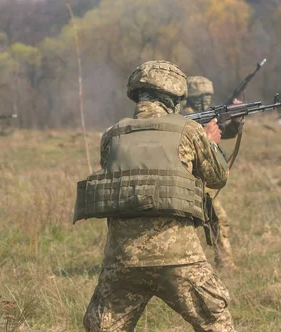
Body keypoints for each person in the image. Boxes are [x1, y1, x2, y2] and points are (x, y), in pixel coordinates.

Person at [75, 60, 237, 332]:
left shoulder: (111, 136)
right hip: (180, 258)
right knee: (216, 324)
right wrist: (210, 142)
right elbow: (218, 177)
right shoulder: (189, 131)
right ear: (173, 97)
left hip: (123, 260)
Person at [182, 76, 240, 270]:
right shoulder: (185, 117)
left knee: (217, 219)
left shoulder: (205, 114)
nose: (204, 100)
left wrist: (234, 120)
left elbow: (223, 133)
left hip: (200, 181)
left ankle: (224, 262)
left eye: (208, 95)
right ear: (189, 96)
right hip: (187, 181)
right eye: (200, 96)